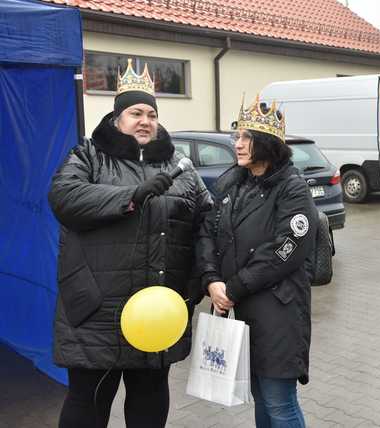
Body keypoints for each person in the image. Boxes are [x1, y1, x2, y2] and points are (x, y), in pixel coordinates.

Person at [49, 59, 212, 427]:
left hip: (158, 316)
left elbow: (207, 221)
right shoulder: (88, 156)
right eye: (136, 112)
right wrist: (133, 195)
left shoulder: (180, 165)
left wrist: (197, 282)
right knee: (86, 410)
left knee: (149, 409)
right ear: (118, 117)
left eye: (152, 114)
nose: (145, 121)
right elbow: (64, 197)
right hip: (95, 315)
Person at [196, 96, 317, 428]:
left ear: (267, 143)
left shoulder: (292, 189)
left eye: (247, 137)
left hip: (279, 309)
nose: (238, 144)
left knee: (279, 401)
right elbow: (207, 231)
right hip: (242, 308)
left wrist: (231, 288)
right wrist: (211, 279)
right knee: (261, 398)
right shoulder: (232, 182)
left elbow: (285, 250)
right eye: (237, 136)